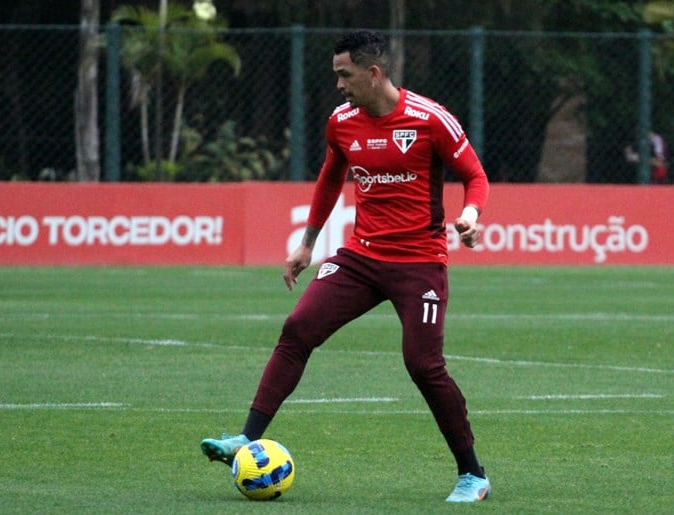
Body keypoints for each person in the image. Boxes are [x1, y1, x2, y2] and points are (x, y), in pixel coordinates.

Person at [201, 29, 491, 503]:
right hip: (361, 256)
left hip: (419, 261)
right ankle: (246, 438)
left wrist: (470, 215)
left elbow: (475, 175)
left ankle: (472, 474)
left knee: (423, 364)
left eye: (344, 74)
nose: (338, 84)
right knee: (298, 328)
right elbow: (332, 175)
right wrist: (307, 243)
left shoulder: (429, 119)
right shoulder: (342, 122)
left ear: (373, 73)